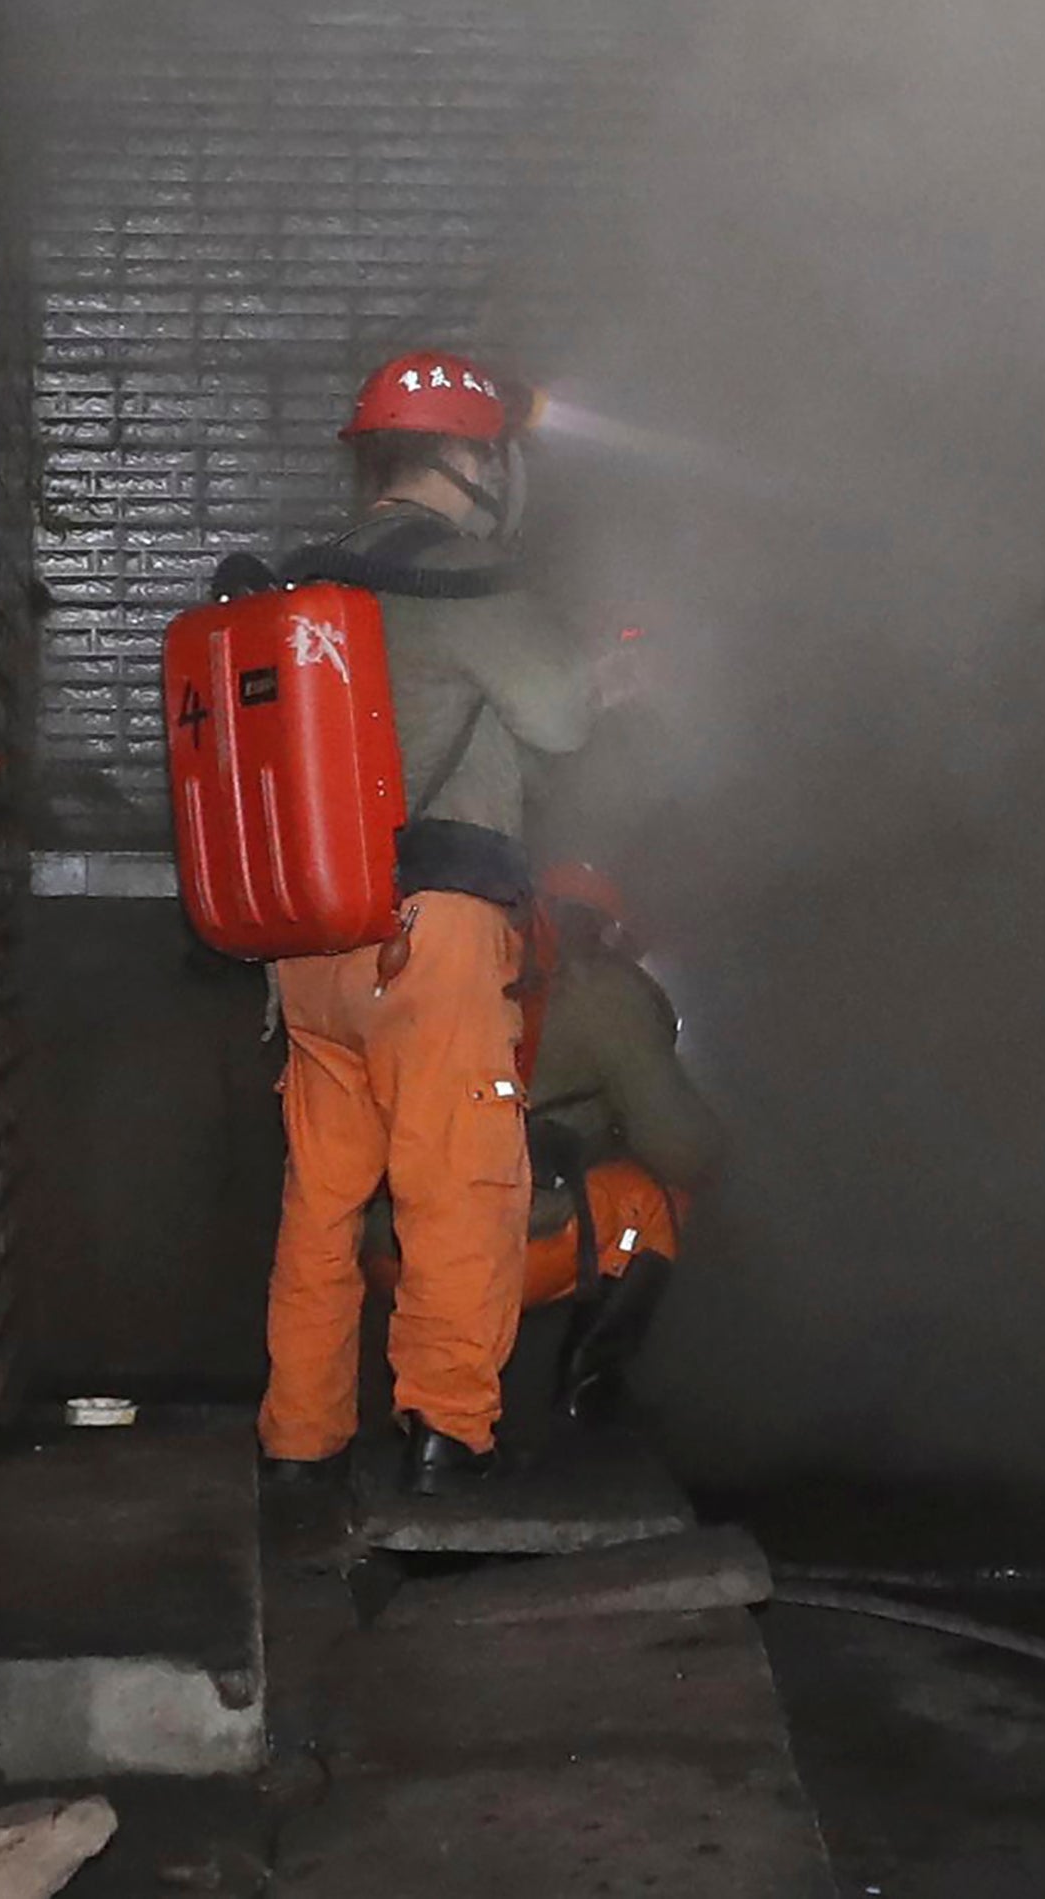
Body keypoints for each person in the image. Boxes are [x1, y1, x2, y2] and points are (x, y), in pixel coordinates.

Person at [252, 352, 607, 1499]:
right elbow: (556, 723)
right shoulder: (471, 582)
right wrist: (604, 677)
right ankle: (446, 1443)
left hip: (307, 942)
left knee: (321, 1205)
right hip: (433, 937)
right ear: (470, 456)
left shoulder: (298, 582)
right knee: (460, 1187)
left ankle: (300, 1452)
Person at [518, 859, 725, 1427]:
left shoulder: (481, 968)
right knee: (659, 1195)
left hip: (392, 1238)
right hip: (483, 1253)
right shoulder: (603, 993)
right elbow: (680, 1146)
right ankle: (585, 1397)